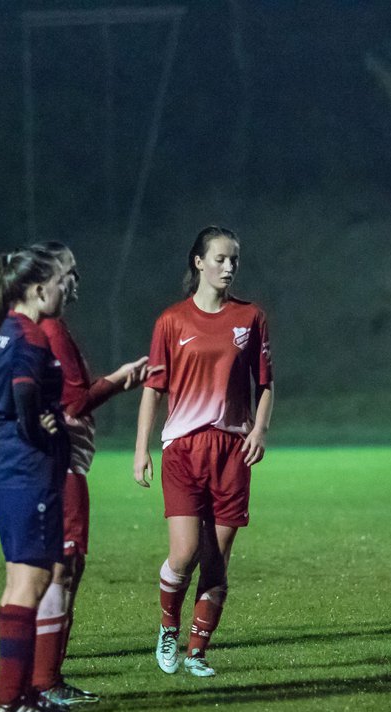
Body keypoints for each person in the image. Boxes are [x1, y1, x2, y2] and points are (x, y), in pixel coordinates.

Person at [134, 226, 273, 678]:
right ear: (198, 263)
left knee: (218, 560)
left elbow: (266, 384)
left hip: (233, 450)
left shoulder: (250, 317)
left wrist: (260, 431)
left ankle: (197, 651)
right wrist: (141, 450)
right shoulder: (171, 321)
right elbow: (153, 390)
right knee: (185, 551)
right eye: (220, 259)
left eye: (234, 259)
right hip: (183, 450)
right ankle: (168, 631)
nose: (229, 267)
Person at [28, 241, 150, 705]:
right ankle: (44, 682)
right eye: (67, 273)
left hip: (51, 462)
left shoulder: (34, 327)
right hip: (60, 464)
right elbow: (75, 402)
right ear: (43, 282)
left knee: (59, 570)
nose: (74, 281)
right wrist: (121, 380)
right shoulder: (52, 330)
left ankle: (44, 679)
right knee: (62, 569)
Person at [0, 250, 71, 712]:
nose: (63, 291)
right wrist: (43, 435)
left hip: (3, 466)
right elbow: (23, 398)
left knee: (22, 579)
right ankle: (9, 698)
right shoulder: (31, 335)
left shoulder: (3, 331)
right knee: (30, 580)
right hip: (23, 469)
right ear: (38, 290)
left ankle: (16, 694)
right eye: (59, 282)